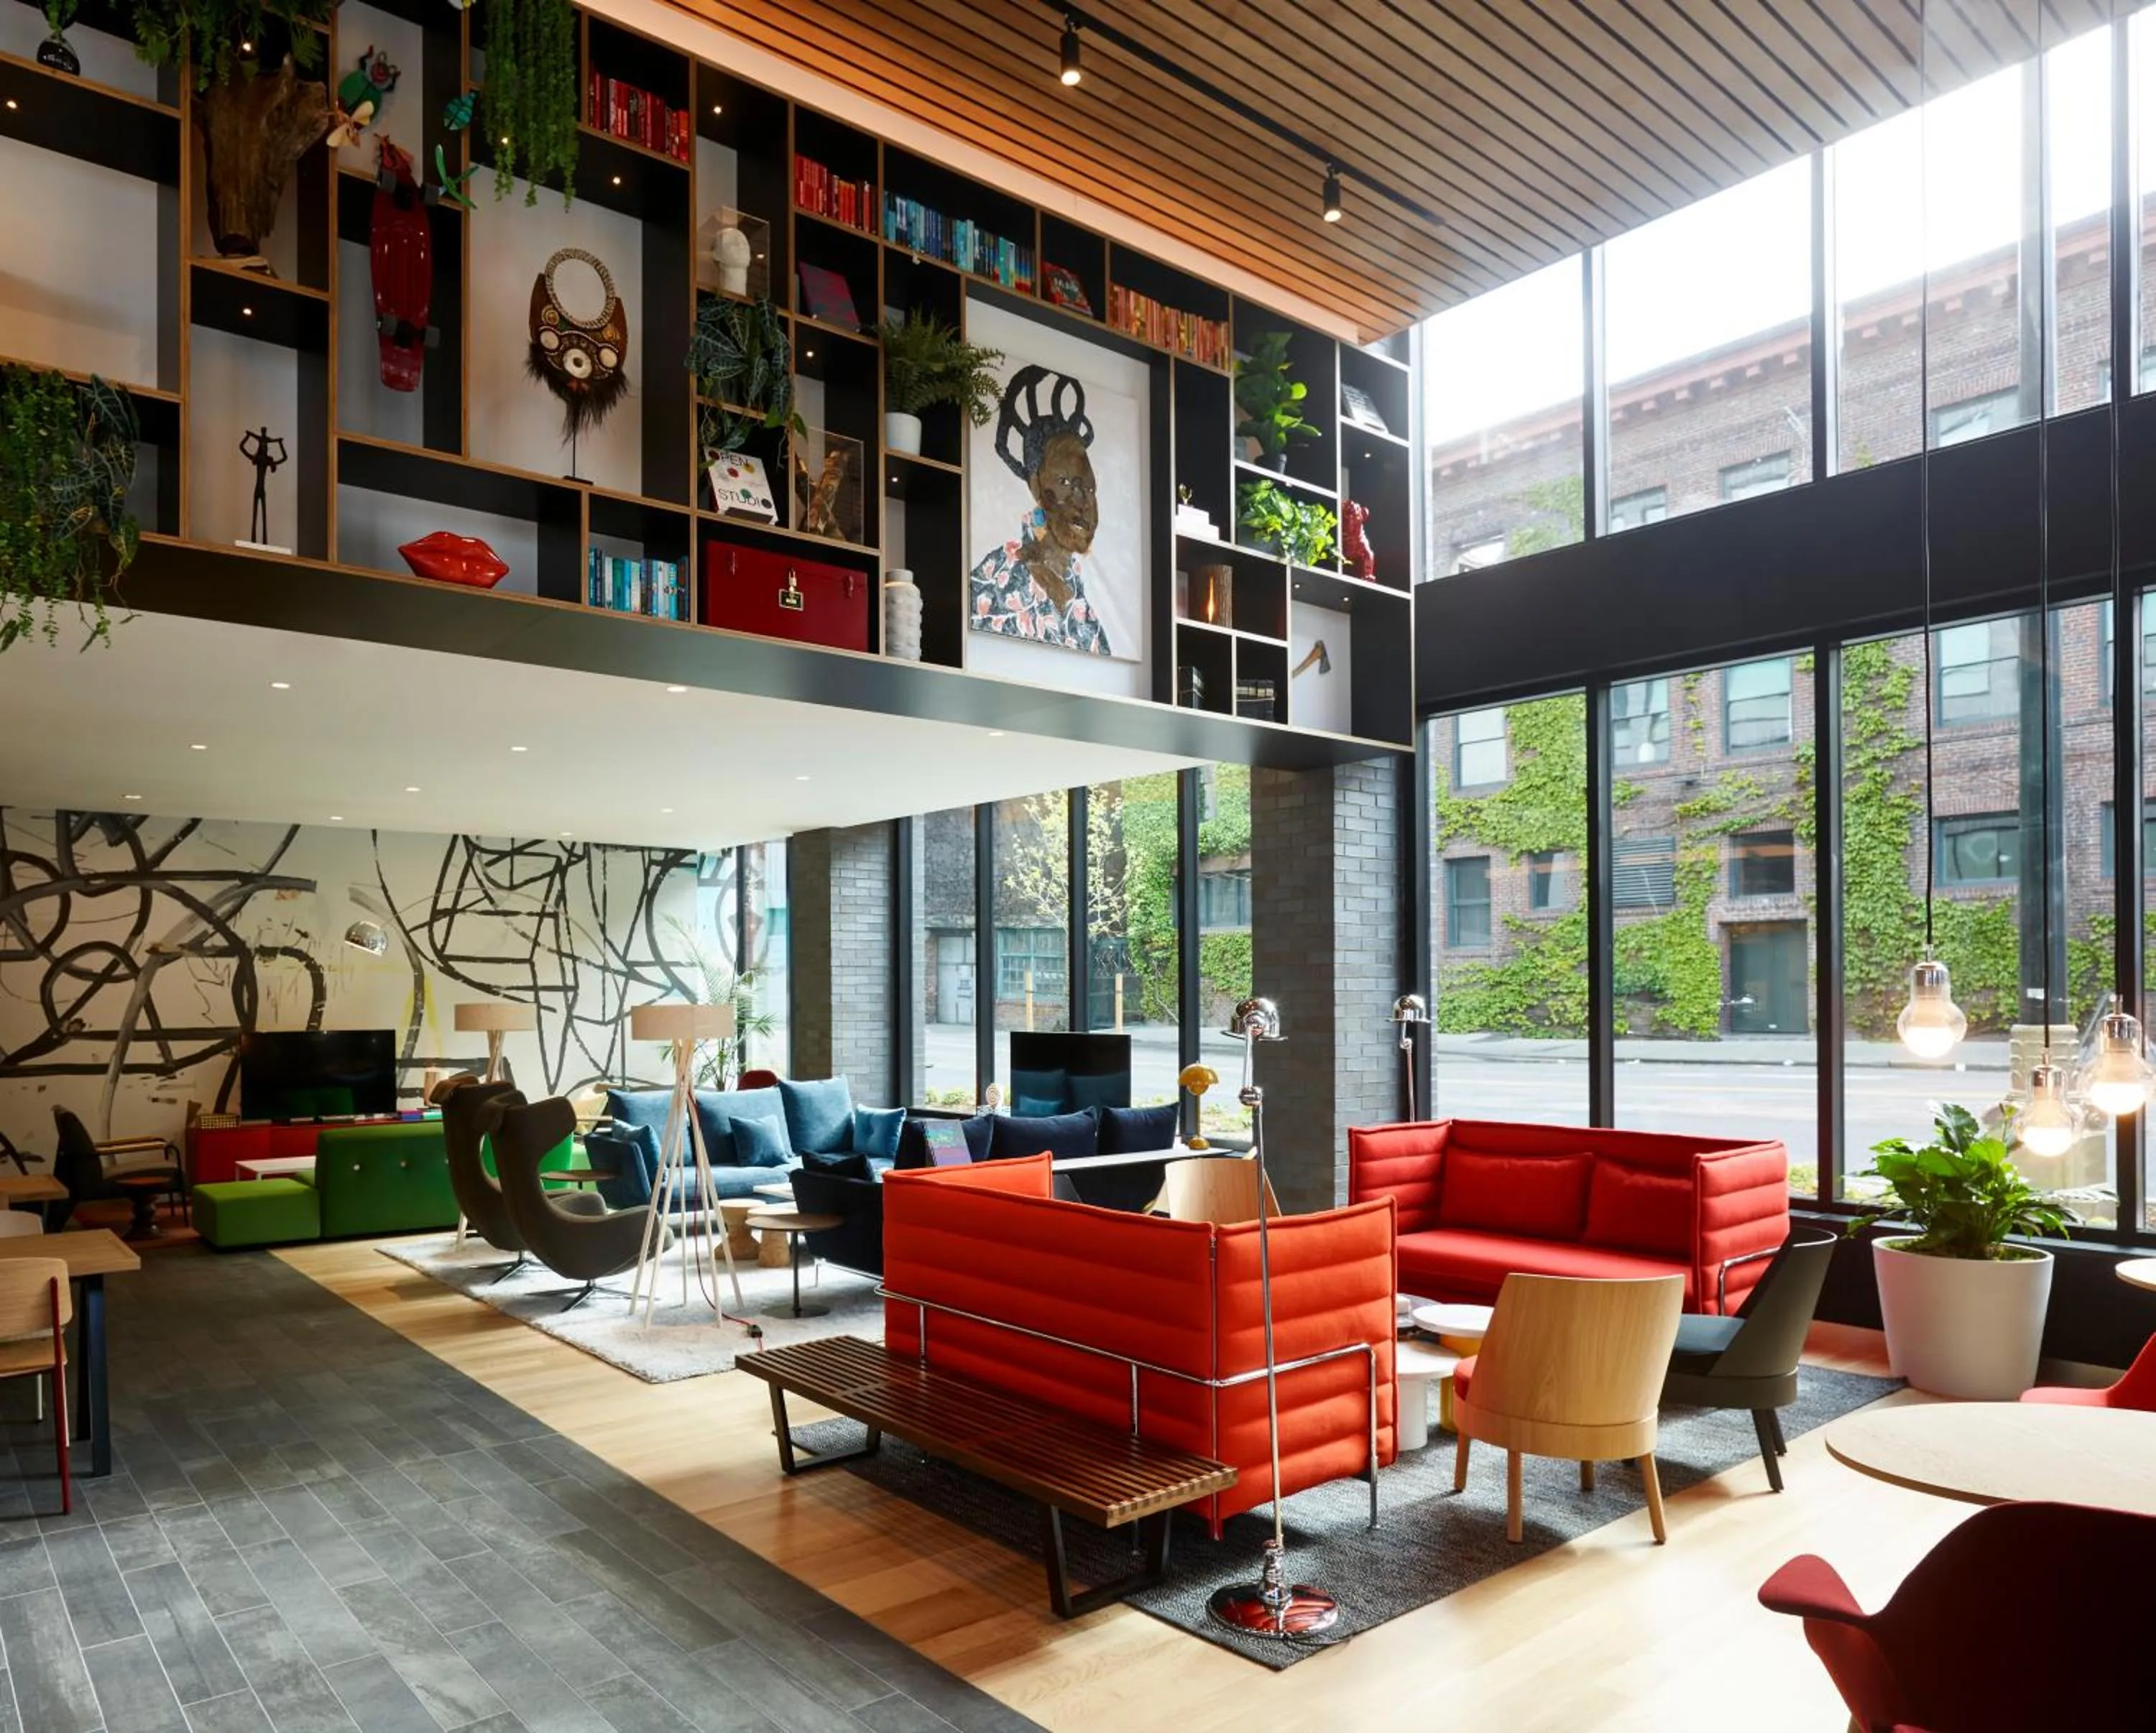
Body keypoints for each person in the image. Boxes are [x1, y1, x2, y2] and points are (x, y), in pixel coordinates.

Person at [968, 365, 1111, 655]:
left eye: (1089, 488)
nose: (1083, 501)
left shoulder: (1085, 611)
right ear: (1036, 484)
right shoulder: (994, 582)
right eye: (1065, 482)